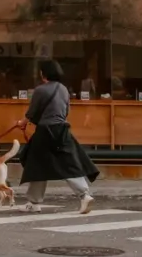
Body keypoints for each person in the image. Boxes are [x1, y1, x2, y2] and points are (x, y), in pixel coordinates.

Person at [17, 59, 100, 213]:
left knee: (36, 165)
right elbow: (66, 110)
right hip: (62, 130)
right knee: (68, 163)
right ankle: (84, 195)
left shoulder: (41, 90)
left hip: (45, 131)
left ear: (43, 74)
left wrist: (22, 122)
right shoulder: (63, 89)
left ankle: (34, 203)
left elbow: (32, 112)